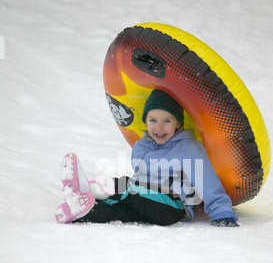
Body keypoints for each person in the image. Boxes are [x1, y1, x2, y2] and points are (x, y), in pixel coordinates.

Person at [55, 89, 239, 227]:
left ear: (178, 124)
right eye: (153, 120)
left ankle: (94, 186)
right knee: (120, 210)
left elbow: (206, 180)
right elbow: (140, 179)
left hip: (171, 204)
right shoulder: (141, 147)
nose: (159, 127)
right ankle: (84, 210)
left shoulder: (188, 147)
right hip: (144, 199)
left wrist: (221, 212)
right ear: (145, 121)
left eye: (167, 121)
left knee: (125, 188)